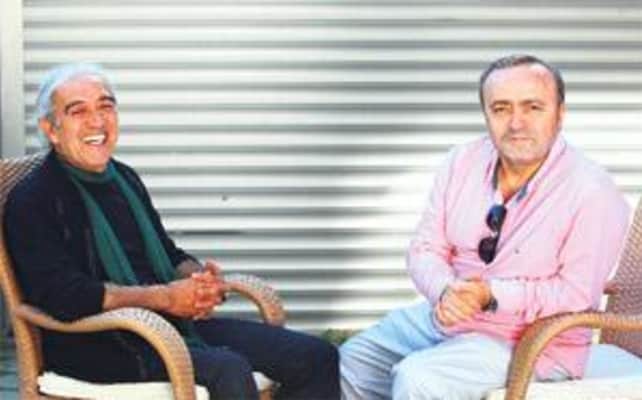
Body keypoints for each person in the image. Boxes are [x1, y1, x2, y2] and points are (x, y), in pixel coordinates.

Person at [4, 63, 340, 400]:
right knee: (228, 369)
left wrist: (199, 281)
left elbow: (168, 254)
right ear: (51, 129)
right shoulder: (33, 199)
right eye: (78, 111)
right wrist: (166, 298)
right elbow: (64, 297)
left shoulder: (124, 178)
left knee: (316, 356)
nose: (97, 121)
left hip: (168, 327)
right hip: (96, 345)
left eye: (105, 106)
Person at [339, 54, 631, 399]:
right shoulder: (462, 161)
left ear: (560, 113)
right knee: (354, 359)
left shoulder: (593, 191)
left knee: (419, 380)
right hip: (449, 317)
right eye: (501, 109)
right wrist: (446, 290)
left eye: (533, 107)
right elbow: (425, 248)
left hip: (533, 343)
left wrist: (491, 294)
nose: (516, 123)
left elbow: (576, 292)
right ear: (486, 115)